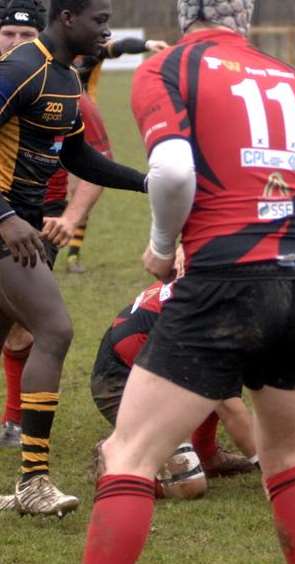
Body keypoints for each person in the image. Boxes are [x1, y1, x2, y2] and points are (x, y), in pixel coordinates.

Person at [81, 1, 295, 562]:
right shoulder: (294, 79)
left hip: (226, 277)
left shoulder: (168, 68)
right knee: (286, 457)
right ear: (248, 13)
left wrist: (163, 247)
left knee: (129, 456)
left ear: (183, 10)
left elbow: (171, 170)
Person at [0, 0, 149, 517]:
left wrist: (147, 182)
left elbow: (78, 157)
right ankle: (33, 482)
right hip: (7, 229)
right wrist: (5, 216)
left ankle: (28, 483)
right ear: (67, 18)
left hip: (20, 228)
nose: (106, 31)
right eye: (99, 20)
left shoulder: (66, 79)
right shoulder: (21, 69)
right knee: (55, 330)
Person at [90, 276, 257, 479]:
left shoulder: (222, 284)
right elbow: (230, 409)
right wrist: (276, 470)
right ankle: (114, 459)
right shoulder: (210, 308)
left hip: (158, 365)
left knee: (221, 372)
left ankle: (207, 454)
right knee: (186, 483)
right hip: (121, 379)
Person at [57, 33, 169, 273]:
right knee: (55, 190)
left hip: (85, 127)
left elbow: (119, 47)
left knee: (81, 190)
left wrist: (148, 44)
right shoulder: (54, 50)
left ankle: (73, 256)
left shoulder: (91, 51)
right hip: (51, 119)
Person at [0, 0, 43, 450]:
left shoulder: (45, 84)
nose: (15, 43)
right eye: (7, 33)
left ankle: (14, 421)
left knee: (26, 323)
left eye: (25, 36)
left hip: (24, 222)